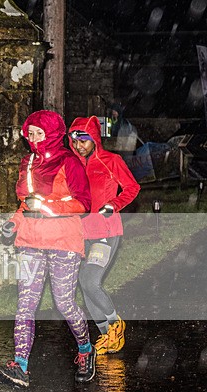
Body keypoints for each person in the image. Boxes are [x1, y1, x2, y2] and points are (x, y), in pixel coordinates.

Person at [0, 110, 93, 388]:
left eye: (40, 134)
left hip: (63, 241)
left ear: (53, 134)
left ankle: (85, 349)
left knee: (64, 303)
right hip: (30, 241)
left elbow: (84, 203)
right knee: (25, 305)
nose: (34, 140)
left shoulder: (69, 161)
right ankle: (20, 366)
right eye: (31, 134)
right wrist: (14, 222)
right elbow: (27, 204)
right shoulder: (28, 163)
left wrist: (48, 207)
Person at [69, 116, 140, 356]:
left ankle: (116, 325)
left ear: (94, 140)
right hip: (80, 234)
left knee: (90, 280)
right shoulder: (71, 164)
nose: (79, 146)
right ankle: (106, 335)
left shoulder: (111, 160)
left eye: (84, 141)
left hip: (105, 232)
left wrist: (114, 204)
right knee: (83, 283)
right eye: (75, 140)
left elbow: (132, 188)